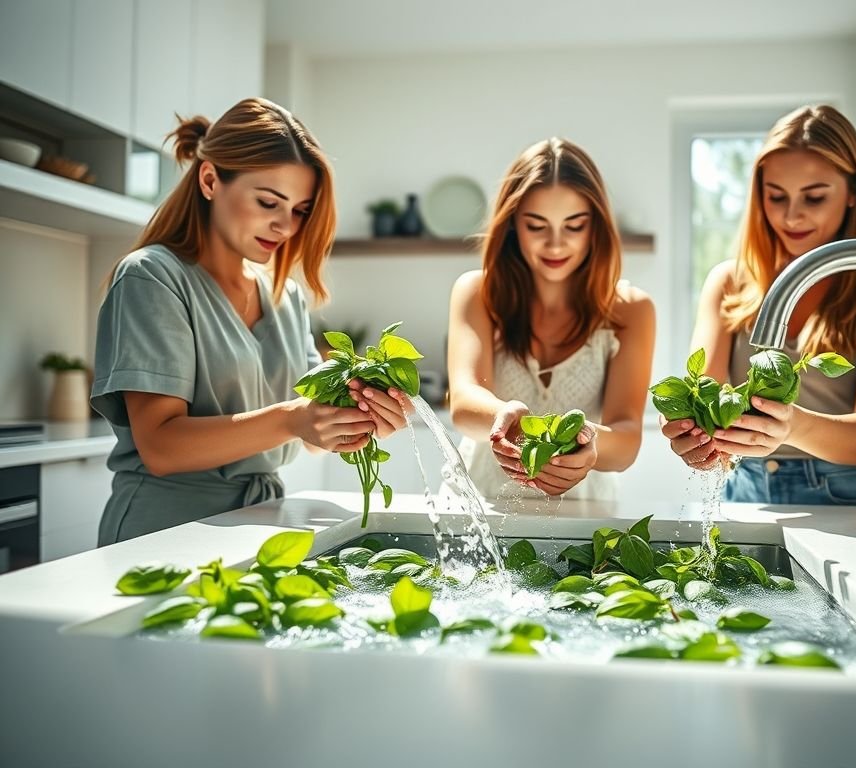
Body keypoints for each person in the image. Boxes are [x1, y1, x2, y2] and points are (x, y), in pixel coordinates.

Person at [91, 98, 409, 544]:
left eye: (300, 210)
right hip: (161, 531)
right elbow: (160, 447)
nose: (286, 226)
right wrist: (292, 418)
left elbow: (309, 437)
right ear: (209, 180)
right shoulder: (153, 276)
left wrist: (349, 420)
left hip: (261, 523)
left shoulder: (284, 296)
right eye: (268, 202)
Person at [661, 104, 856, 519]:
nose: (791, 215)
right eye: (776, 196)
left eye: (815, 197)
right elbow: (705, 400)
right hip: (744, 493)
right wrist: (693, 436)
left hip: (850, 501)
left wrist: (791, 426)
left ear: (853, 192)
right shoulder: (729, 282)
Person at [447, 137, 656, 500]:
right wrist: (508, 420)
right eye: (537, 225)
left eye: (574, 225)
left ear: (596, 227)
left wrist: (586, 443)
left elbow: (626, 440)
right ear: (513, 224)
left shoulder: (632, 309)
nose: (556, 244)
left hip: (585, 514)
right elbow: (464, 405)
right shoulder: (476, 292)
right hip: (478, 506)